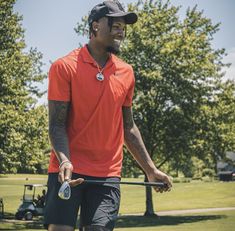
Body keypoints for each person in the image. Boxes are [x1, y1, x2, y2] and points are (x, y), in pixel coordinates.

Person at [44, 1, 172, 231]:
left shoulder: (126, 72)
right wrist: (65, 159)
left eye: (123, 26)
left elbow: (129, 127)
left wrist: (151, 170)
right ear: (95, 27)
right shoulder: (64, 67)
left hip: (107, 174)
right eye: (114, 24)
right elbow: (56, 125)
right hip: (67, 170)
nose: (121, 30)